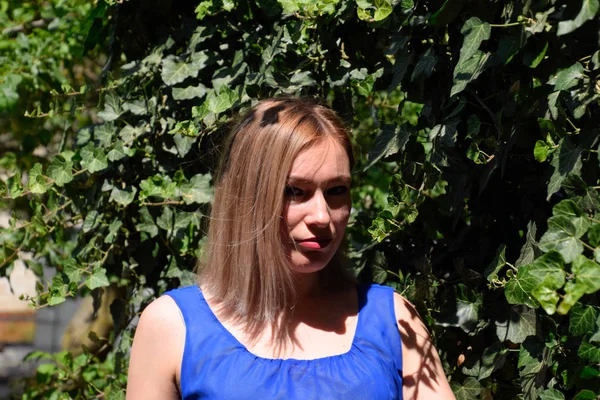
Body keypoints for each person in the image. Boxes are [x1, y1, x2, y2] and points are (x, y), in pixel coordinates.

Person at [126, 98, 455, 399]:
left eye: (337, 190)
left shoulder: (392, 319)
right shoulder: (172, 327)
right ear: (245, 196)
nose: (322, 216)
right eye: (296, 191)